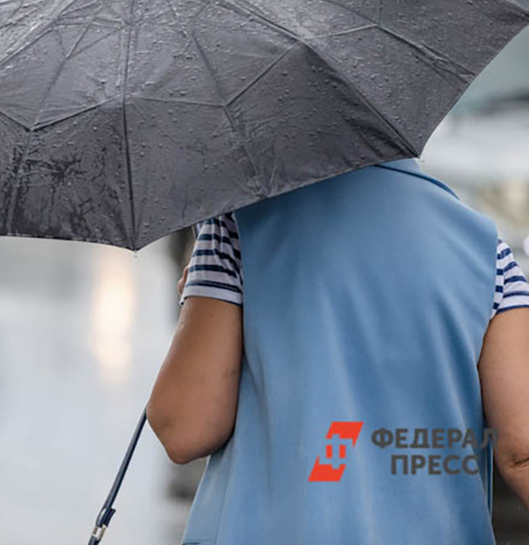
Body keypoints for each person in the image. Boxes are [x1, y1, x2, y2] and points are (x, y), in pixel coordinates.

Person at [147, 158, 529, 544]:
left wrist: (199, 300)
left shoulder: (237, 227)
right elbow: (522, 451)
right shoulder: (487, 252)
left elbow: (185, 429)